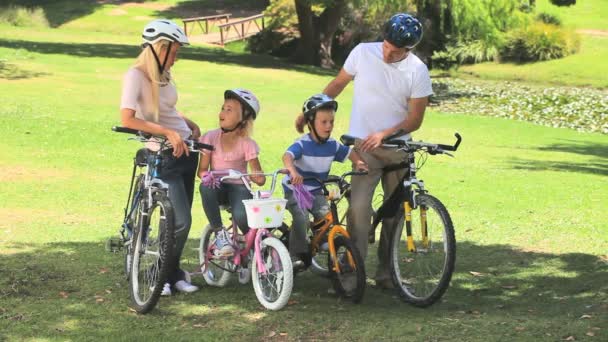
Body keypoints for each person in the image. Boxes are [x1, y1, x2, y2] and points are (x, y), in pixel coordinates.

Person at [322, 13, 433, 289]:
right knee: (359, 209)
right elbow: (337, 84)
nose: (387, 52)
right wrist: (313, 109)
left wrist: (384, 134)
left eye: (395, 51)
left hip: (397, 151)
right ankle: (353, 273)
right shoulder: (362, 53)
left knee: (395, 215)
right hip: (364, 149)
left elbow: (415, 120)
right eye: (385, 44)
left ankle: (387, 274)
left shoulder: (418, 71)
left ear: (408, 50)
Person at [120, 19, 201, 295]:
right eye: (175, 51)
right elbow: (128, 119)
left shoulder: (163, 75)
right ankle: (158, 274)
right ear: (159, 48)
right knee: (181, 221)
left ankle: (172, 273)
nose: (177, 58)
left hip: (187, 153)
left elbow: (166, 108)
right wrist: (168, 132)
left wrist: (186, 124)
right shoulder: (136, 76)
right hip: (164, 154)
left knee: (175, 222)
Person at [282, 94, 367, 267]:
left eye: (331, 122)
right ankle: (295, 254)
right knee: (302, 217)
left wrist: (358, 162)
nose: (329, 126)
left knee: (325, 215)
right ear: (311, 123)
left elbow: (348, 152)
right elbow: (287, 156)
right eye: (324, 122)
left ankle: (319, 241)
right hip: (296, 189)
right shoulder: (303, 144)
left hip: (316, 189)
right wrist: (292, 170)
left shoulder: (332, 145)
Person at [198, 89, 265, 257]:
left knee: (242, 216)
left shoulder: (247, 143)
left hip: (239, 188)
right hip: (218, 186)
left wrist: (258, 177)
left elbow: (259, 177)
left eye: (229, 110)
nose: (222, 113)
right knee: (205, 188)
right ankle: (220, 234)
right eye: (223, 108)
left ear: (242, 118)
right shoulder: (210, 138)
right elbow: (202, 170)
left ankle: (256, 247)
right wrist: (206, 176)